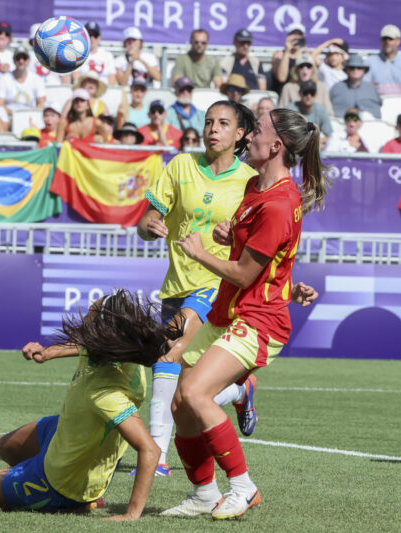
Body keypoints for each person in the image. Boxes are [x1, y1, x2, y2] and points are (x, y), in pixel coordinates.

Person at [166, 107, 328, 520]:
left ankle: (244, 488)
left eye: (256, 131)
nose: (249, 135)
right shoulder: (257, 185)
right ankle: (204, 493)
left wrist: (202, 252)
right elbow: (266, 255)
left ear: (276, 146)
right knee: (181, 407)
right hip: (229, 311)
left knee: (197, 395)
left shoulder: (277, 202)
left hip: (258, 321)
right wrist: (230, 234)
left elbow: (244, 273)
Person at [0, 290, 183, 520]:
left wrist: (131, 514)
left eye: (91, 313)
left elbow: (150, 450)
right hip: (68, 429)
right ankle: (28, 475)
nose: (86, 317)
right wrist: (48, 352)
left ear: (102, 334)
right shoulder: (120, 352)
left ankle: (65, 498)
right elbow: (83, 345)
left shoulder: (106, 392)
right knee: (5, 446)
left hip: (63, 482)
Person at [138, 101, 267, 483]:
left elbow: (255, 245)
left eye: (223, 123)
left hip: (216, 287)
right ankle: (239, 393)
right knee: (187, 392)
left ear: (240, 134)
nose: (213, 129)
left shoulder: (248, 181)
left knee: (168, 355)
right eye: (209, 122)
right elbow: (148, 221)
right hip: (176, 286)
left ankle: (156, 455)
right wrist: (149, 224)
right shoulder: (180, 166)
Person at [365, 24, 401, 96]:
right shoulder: (369, 62)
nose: (387, 42)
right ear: (381, 40)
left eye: (390, 39)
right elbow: (364, 88)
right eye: (385, 39)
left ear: (398, 41)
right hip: (376, 104)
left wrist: (396, 100)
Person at [0, 46, 47, 114]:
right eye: (18, 58)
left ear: (28, 60)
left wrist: (29, 114)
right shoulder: (4, 78)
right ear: (13, 60)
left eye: (24, 58)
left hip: (29, 115)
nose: (21, 61)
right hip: (8, 115)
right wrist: (15, 115)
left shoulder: (37, 79)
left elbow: (42, 103)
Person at [329, 54, 382, 119]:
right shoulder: (336, 87)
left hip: (368, 124)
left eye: (359, 68)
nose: (355, 70)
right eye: (352, 68)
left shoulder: (371, 88)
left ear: (364, 71)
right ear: (346, 70)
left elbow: (379, 105)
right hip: (341, 124)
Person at [72, 21, 116, 86]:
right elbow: (76, 79)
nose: (92, 38)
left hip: (103, 92)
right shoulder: (78, 55)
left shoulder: (107, 55)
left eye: (95, 35)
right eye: (89, 35)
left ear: (99, 37)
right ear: (84, 37)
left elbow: (112, 80)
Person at [271, 24, 307, 95]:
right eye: (293, 33)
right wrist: (287, 51)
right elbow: (282, 78)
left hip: (301, 95)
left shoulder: (305, 56)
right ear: (288, 36)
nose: (296, 37)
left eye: (299, 34)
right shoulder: (279, 54)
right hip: (283, 95)